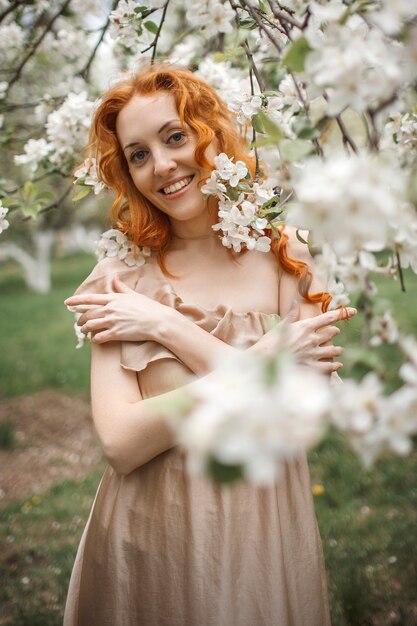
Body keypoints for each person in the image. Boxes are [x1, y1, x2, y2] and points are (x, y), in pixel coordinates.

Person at [63, 63, 356, 626]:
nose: (162, 166)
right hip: (150, 540)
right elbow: (122, 444)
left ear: (211, 134)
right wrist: (265, 364)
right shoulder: (120, 279)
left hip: (262, 535)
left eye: (175, 137)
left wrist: (167, 327)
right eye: (138, 154)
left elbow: (296, 423)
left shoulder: (287, 255)